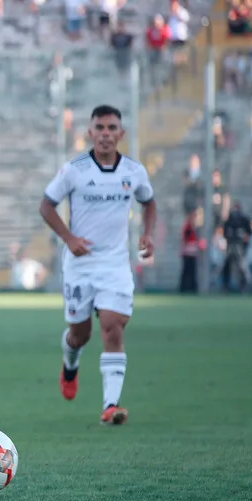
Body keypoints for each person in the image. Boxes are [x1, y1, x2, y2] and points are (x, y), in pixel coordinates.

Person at [38, 104, 157, 426]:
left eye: (112, 128)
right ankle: (70, 364)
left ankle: (110, 405)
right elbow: (47, 205)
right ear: (90, 133)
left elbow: (149, 202)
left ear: (121, 133)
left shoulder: (133, 172)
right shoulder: (74, 170)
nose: (106, 134)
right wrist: (69, 238)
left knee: (113, 326)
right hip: (80, 266)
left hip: (116, 266)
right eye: (100, 128)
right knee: (80, 335)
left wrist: (147, 234)